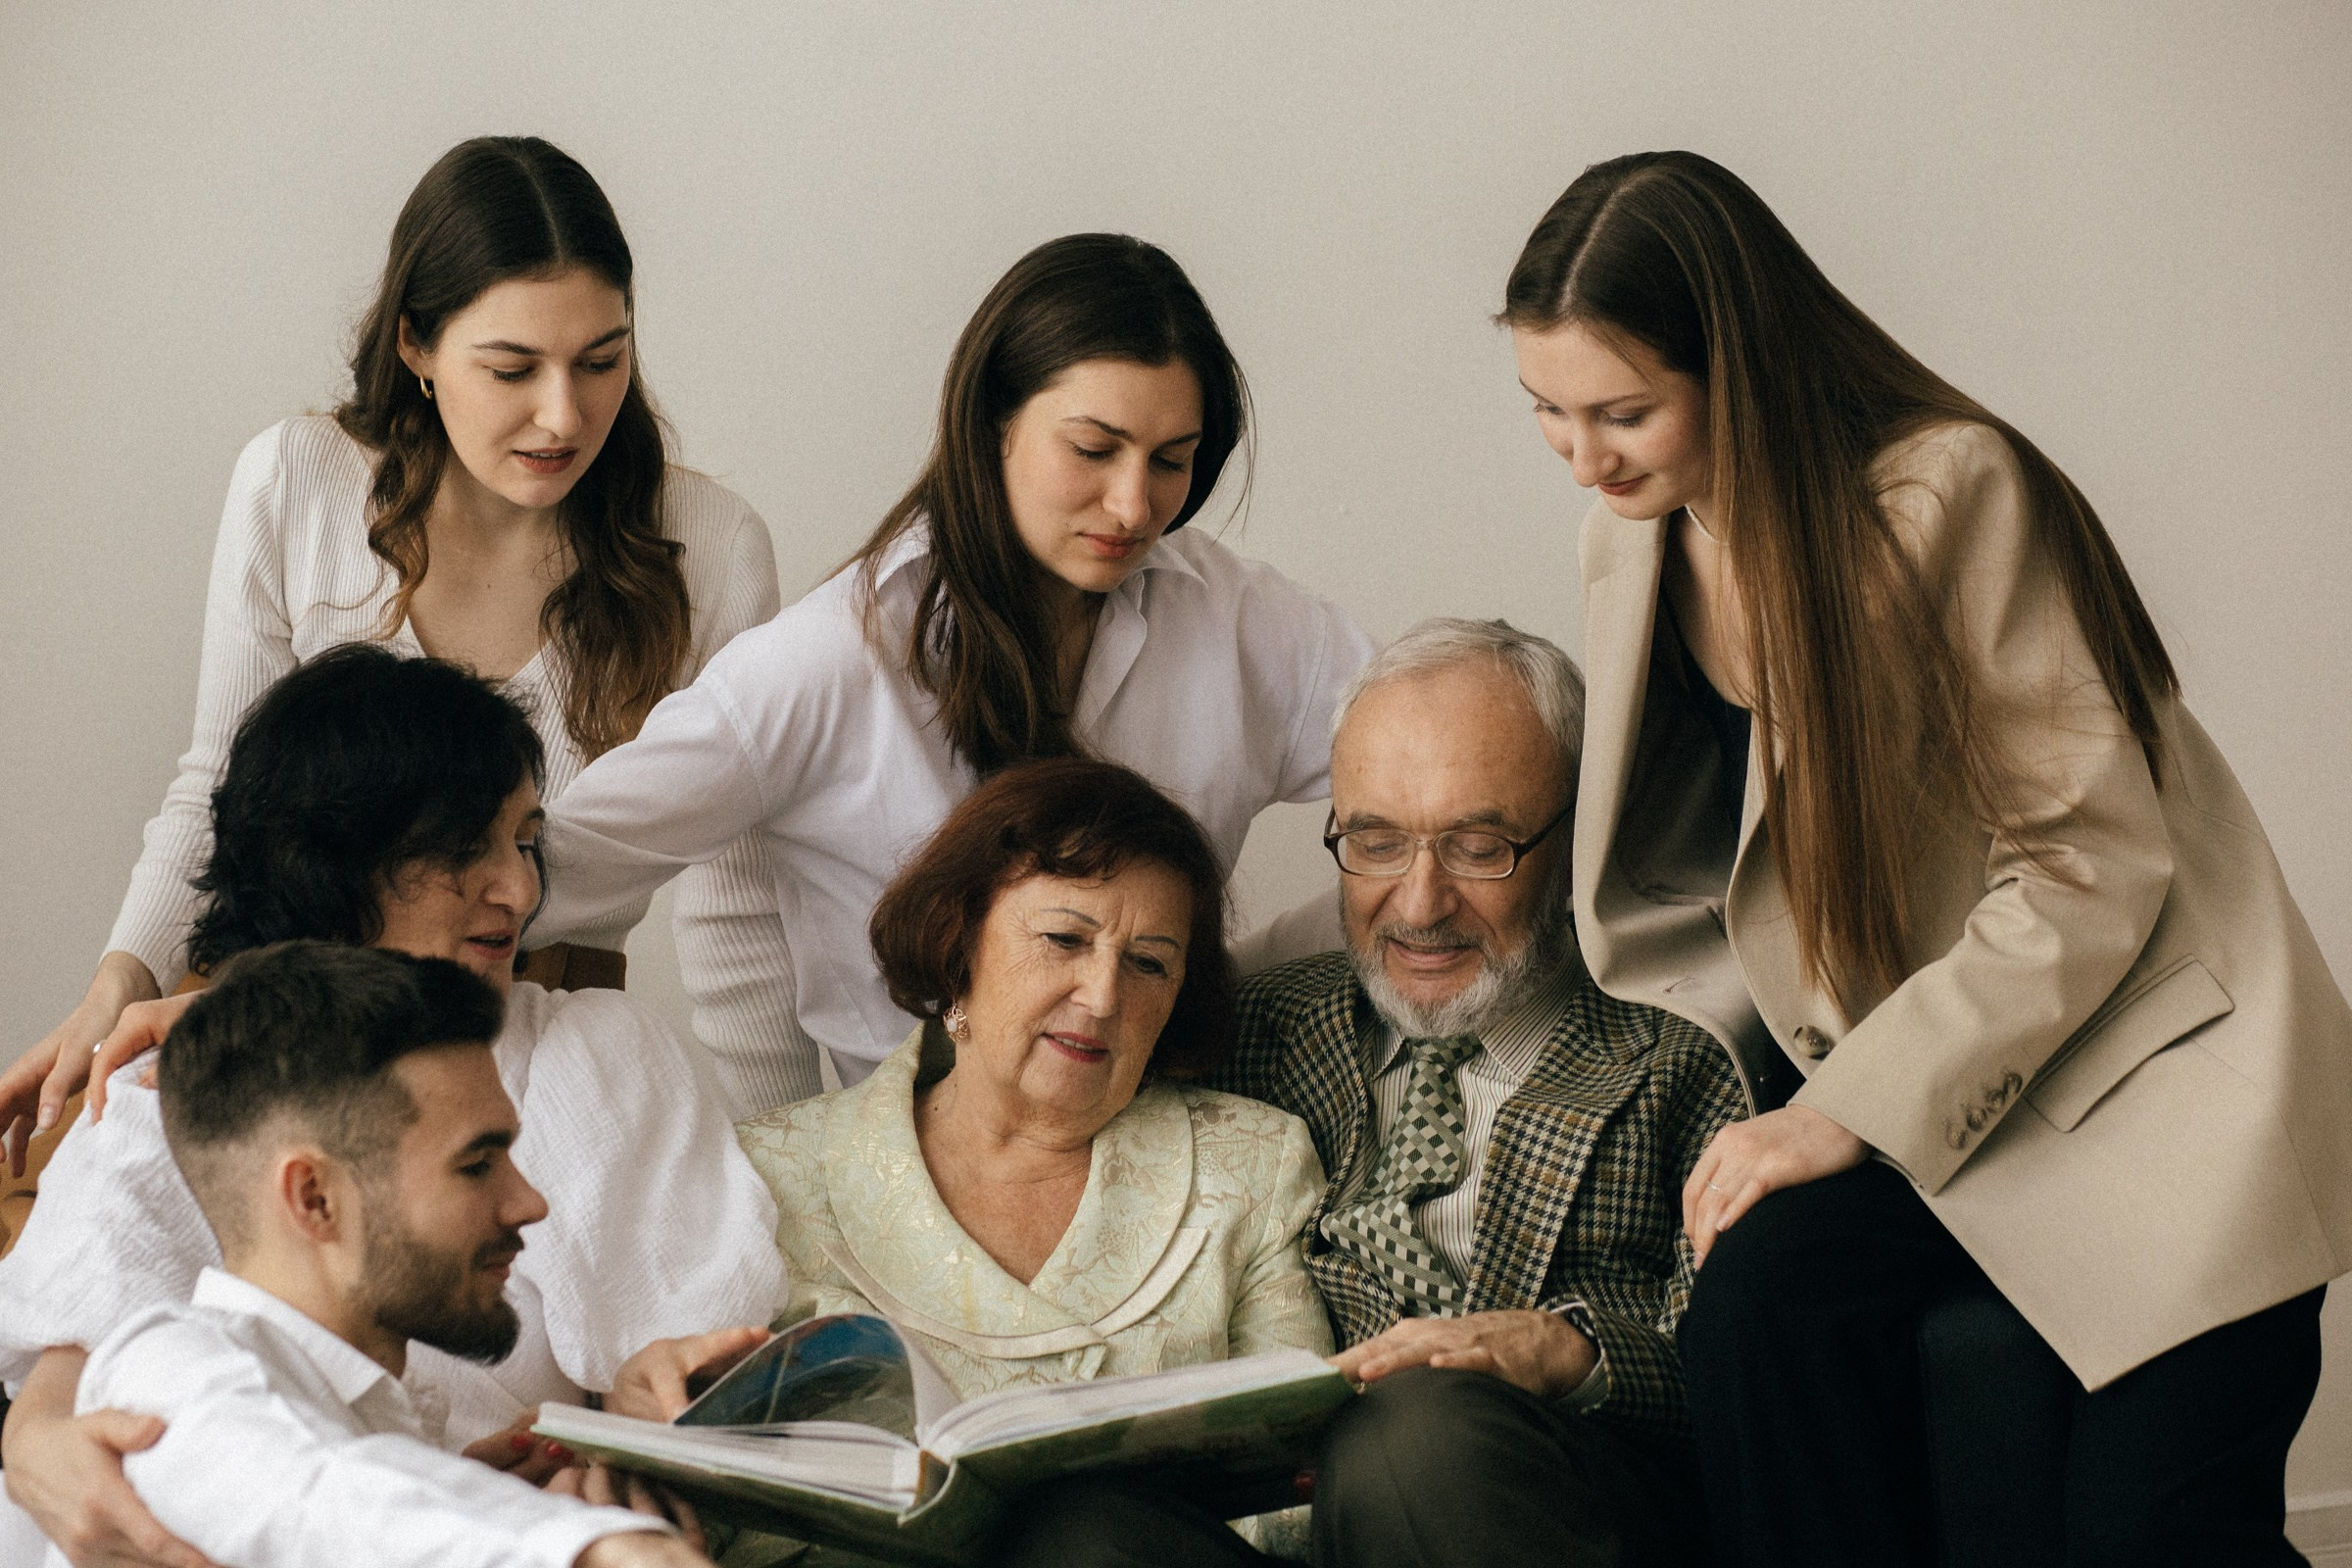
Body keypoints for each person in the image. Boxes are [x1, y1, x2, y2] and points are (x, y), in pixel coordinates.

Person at [1502, 149, 2352, 1565]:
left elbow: (2090, 868)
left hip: (2152, 1096)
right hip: (1967, 1108)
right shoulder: (1630, 540)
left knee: (2148, 1542)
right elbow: (1701, 887)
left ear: (1743, 368)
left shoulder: (1946, 492)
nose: (1584, 457)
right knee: (1759, 1301)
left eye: (1625, 412)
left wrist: (1856, 1108)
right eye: (1545, 411)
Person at [4, 132, 799, 1151]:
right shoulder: (298, 480)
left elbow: (740, 897)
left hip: (538, 1045)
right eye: (512, 368)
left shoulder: (712, 550)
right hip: (281, 1008)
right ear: (417, 346)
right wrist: (120, 981)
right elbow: (217, 782)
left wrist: (784, 1144)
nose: (564, 414)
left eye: (603, 359)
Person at [523, 232, 1373, 1091]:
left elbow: (1449, 765)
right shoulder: (831, 661)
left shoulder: (1238, 620)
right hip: (907, 1184)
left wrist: (1255, 977)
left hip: (1175, 1146)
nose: (1132, 504)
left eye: (1171, 462)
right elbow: (549, 867)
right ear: (992, 423)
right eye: (1092, 449)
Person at [0, 647, 783, 1566]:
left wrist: (614, 1454)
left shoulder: (596, 1053)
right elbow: (140, 1418)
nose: (521, 890)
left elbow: (695, 1382)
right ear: (335, 861)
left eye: (526, 841)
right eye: (465, 850)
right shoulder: (177, 1089)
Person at [1212, 618, 1741, 1568]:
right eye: (1375, 841)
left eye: (1478, 846)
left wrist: (1566, 1354)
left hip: (1540, 1492)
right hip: (1291, 1515)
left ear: (1581, 836)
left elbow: (1752, 1380)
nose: (1418, 904)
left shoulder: (1686, 1055)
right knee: (1078, 1533)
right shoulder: (1252, 1028)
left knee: (1416, 1437)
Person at [734, 758, 1332, 1566]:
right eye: (1064, 939)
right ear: (958, 947)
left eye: (1148, 962)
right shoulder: (768, 1173)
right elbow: (724, 1510)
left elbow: (1291, 1499)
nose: (1102, 996)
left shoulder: (1251, 1163)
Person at [66, 939, 708, 1568]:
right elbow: (309, 1493)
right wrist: (601, 1549)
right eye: (477, 1164)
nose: (529, 1202)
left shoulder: (384, 1429)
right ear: (315, 1198)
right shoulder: (168, 1373)